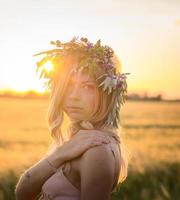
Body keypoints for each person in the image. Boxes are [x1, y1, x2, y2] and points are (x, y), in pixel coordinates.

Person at [15, 37, 130, 200]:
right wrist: (60, 154)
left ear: (108, 93)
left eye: (87, 86)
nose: (73, 96)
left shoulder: (97, 151)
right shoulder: (80, 139)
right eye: (68, 85)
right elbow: (22, 193)